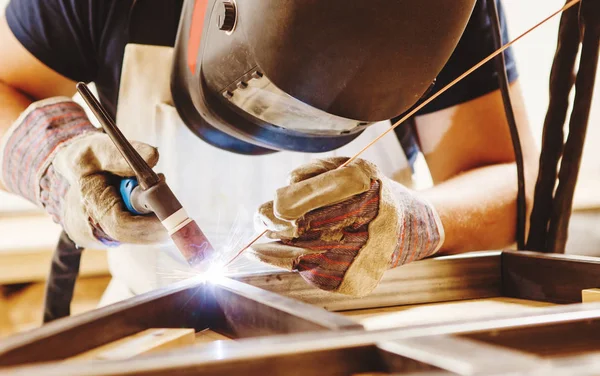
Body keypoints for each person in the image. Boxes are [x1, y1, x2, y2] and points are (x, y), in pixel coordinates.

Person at [0, 0, 537, 302]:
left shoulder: (438, 12)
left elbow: (506, 177)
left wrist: (413, 223)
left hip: (365, 327)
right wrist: (52, 161)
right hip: (153, 327)